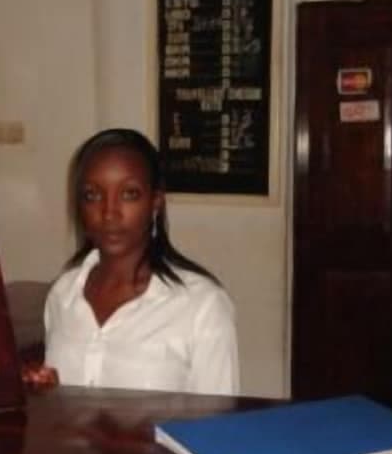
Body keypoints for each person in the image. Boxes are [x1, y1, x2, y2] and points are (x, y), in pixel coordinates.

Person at [23, 128, 239, 395]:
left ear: (155, 203)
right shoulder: (63, 294)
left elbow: (218, 417)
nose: (109, 213)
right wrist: (47, 394)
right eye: (92, 195)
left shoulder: (202, 305)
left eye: (129, 194)